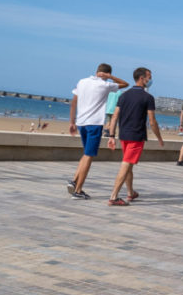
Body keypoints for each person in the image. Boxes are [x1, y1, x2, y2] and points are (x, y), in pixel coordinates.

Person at [68, 63, 128, 199]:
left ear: (96, 71)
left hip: (81, 122)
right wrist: (110, 77)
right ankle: (78, 191)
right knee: (89, 156)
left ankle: (74, 180)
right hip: (94, 123)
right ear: (106, 74)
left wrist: (72, 122)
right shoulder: (104, 85)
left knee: (86, 153)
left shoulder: (82, 82)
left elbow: (74, 102)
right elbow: (125, 84)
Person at [105, 68, 164, 206]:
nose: (150, 80)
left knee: (128, 165)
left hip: (123, 135)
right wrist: (159, 138)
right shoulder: (148, 98)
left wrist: (112, 135)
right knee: (125, 165)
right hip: (136, 136)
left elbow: (114, 116)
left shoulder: (123, 95)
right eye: (149, 77)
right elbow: (152, 121)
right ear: (142, 78)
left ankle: (131, 193)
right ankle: (113, 197)